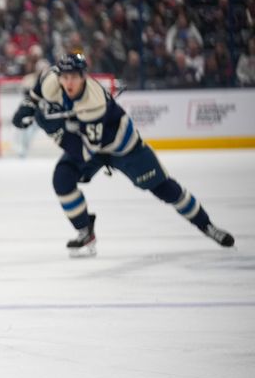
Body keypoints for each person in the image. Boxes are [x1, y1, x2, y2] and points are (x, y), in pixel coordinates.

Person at [12, 53, 235, 257]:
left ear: (84, 76)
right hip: (89, 141)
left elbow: (85, 152)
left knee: (163, 188)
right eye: (65, 77)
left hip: (123, 146)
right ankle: (85, 231)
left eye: (74, 77)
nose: (68, 82)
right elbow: (34, 97)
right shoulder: (51, 79)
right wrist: (26, 108)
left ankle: (207, 226)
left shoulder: (94, 102)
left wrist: (50, 126)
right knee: (62, 178)